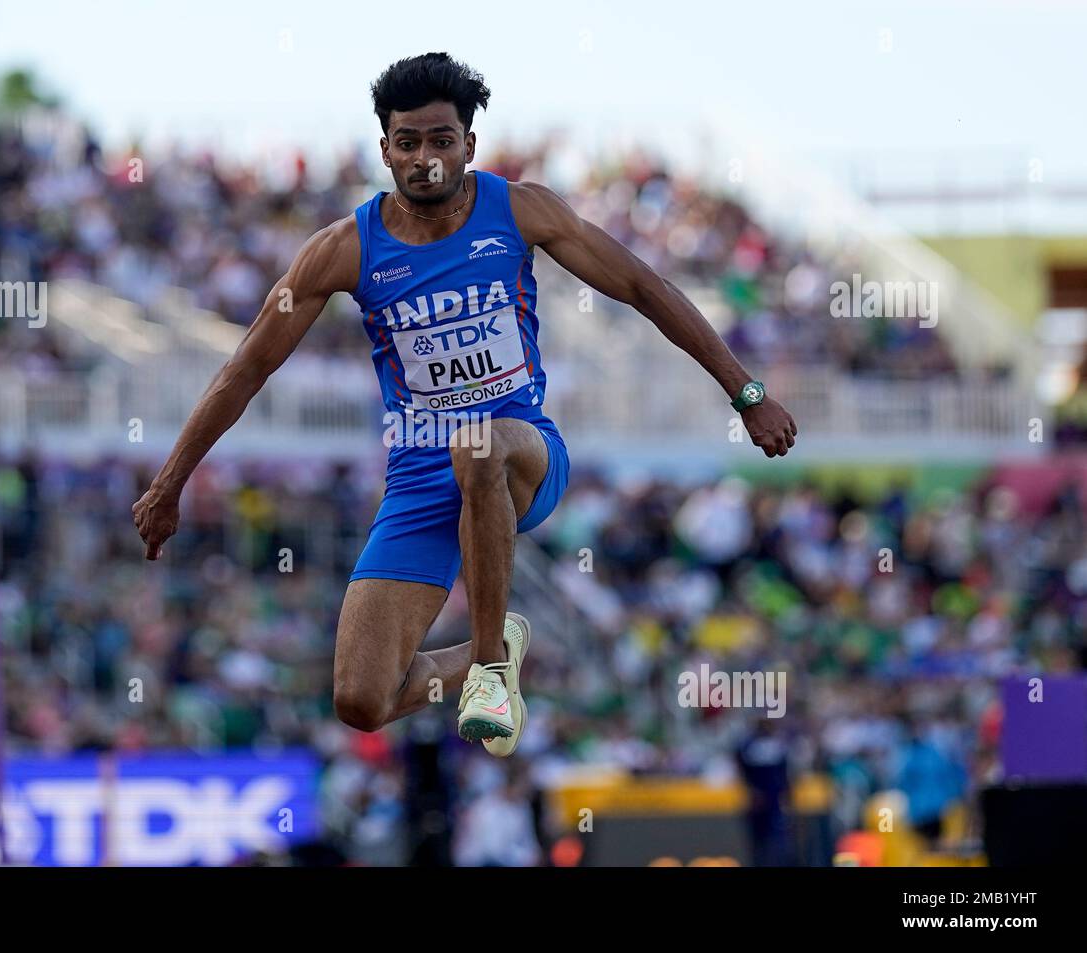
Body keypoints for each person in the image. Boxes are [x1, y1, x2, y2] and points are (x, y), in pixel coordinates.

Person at [133, 52, 797, 757]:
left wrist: (745, 392)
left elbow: (643, 286)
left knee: (477, 443)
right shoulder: (343, 251)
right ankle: (493, 650)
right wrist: (170, 483)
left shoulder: (521, 210)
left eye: (441, 142)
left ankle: (486, 673)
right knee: (362, 699)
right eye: (408, 143)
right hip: (420, 487)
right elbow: (247, 367)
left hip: (521, 459)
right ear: (385, 150)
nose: (425, 160)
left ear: (468, 146)